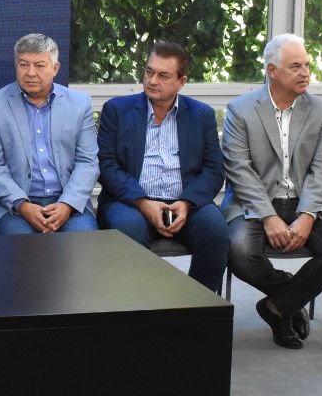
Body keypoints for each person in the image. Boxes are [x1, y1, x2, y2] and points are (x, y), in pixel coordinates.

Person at [224, 33, 322, 349]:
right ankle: (290, 294)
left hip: (304, 202)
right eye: (296, 66)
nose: (305, 73)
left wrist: (308, 215)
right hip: (252, 202)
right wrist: (268, 216)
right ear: (272, 71)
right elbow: (239, 170)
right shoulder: (241, 110)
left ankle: (276, 307)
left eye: (307, 65)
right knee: (238, 251)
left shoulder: (320, 110)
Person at [97, 41, 227, 293]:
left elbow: (214, 170)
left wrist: (186, 203)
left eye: (163, 75)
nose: (152, 81)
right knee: (129, 231)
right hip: (131, 201)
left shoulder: (201, 115)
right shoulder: (117, 110)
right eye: (149, 72)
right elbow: (106, 165)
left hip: (186, 202)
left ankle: (198, 308)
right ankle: (142, 310)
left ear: (181, 81)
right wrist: (143, 202)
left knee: (216, 232)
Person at [0, 33, 99, 235]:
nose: (31, 73)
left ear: (55, 68)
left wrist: (67, 204)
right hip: (12, 205)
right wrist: (23, 205)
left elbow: (88, 162)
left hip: (67, 200)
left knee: (82, 244)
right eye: (24, 65)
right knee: (25, 246)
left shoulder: (80, 103)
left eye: (39, 65)